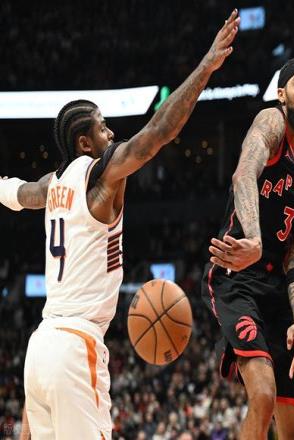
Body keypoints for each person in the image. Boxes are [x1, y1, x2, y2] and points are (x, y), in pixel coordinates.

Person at [0, 10, 240, 439]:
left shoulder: (51, 185)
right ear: (84, 142)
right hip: (75, 348)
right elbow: (158, 132)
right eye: (103, 128)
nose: (111, 134)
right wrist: (206, 67)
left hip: (40, 347)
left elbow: (16, 193)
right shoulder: (99, 176)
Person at [202, 56, 294, 440]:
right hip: (236, 276)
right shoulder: (271, 122)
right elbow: (243, 173)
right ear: (281, 94)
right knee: (263, 395)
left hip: (277, 290)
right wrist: (254, 240)